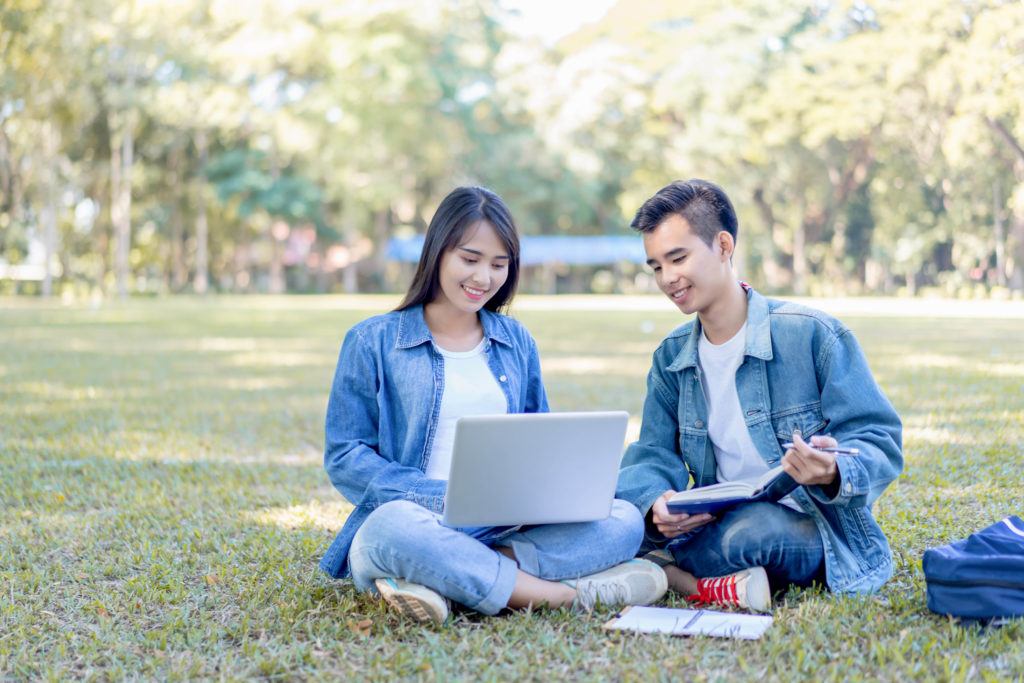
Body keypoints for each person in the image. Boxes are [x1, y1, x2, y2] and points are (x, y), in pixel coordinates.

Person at [319, 186, 666, 624]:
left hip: (504, 523)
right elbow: (346, 456)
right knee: (392, 531)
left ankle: (442, 580)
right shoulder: (372, 341)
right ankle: (560, 595)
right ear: (437, 252)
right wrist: (441, 498)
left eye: (499, 265)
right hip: (416, 521)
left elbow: (538, 441)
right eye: (470, 259)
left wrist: (546, 494)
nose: (484, 278)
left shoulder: (516, 341)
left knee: (623, 518)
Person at [616, 179, 903, 612]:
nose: (667, 278)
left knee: (752, 531)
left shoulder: (813, 334)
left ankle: (671, 574)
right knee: (617, 520)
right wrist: (656, 504)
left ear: (724, 245)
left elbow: (879, 438)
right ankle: (682, 567)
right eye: (656, 266)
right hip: (715, 520)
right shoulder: (672, 357)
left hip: (810, 527)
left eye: (678, 258)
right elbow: (652, 454)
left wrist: (831, 469)